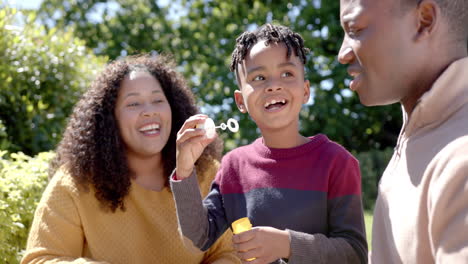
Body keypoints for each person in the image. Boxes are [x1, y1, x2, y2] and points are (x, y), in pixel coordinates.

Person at [171, 24, 367, 264]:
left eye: (287, 74)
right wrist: (184, 170)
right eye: (259, 77)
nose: (274, 85)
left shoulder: (336, 162)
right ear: (240, 101)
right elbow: (199, 235)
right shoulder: (233, 167)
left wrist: (286, 245)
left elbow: (354, 254)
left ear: (305, 91)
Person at [21, 55, 240, 263]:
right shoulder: (75, 183)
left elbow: (234, 253)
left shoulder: (209, 174)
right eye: (133, 104)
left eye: (157, 100)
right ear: (109, 119)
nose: (149, 112)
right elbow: (41, 259)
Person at [338, 0, 468, 262]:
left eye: (354, 29)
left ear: (424, 20)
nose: (343, 53)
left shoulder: (459, 156)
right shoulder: (422, 135)